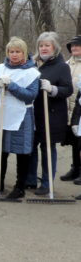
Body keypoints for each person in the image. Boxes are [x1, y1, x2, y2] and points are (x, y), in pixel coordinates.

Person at [0, 37, 40, 199]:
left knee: (22, 151)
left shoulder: (32, 72)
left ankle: (19, 186)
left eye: (18, 52)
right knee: (0, 150)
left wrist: (11, 86)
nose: (14, 55)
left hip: (21, 115)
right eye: (11, 51)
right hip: (2, 113)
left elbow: (30, 96)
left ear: (24, 53)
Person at [26, 32, 73, 195]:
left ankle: (46, 183)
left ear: (54, 47)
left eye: (47, 45)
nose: (44, 48)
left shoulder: (62, 67)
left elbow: (68, 89)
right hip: (33, 113)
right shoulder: (32, 64)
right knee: (30, 147)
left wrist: (52, 89)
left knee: (47, 148)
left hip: (51, 114)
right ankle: (30, 179)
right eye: (41, 45)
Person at [60, 35, 81, 184]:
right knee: (74, 140)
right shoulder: (66, 64)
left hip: (79, 106)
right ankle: (75, 168)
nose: (74, 48)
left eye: (77, 45)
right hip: (68, 107)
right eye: (72, 46)